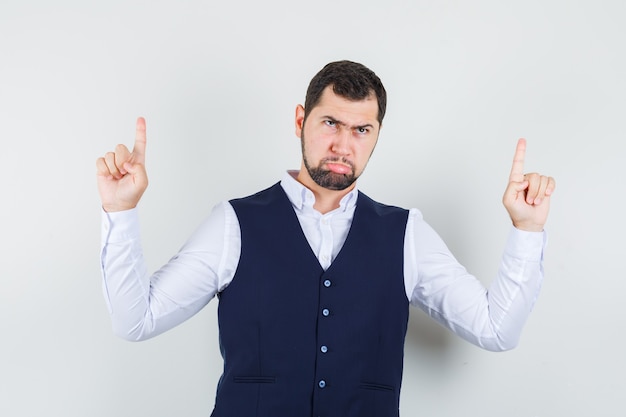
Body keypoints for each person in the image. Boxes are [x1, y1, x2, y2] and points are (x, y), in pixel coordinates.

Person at [96, 60, 555, 417]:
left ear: (376, 136)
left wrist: (527, 230)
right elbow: (135, 320)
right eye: (330, 123)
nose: (343, 145)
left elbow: (497, 330)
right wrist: (121, 211)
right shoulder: (233, 223)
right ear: (301, 120)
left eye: (361, 130)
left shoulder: (406, 233)